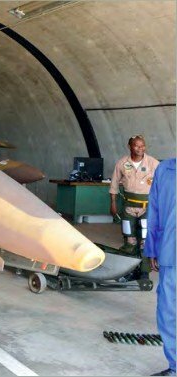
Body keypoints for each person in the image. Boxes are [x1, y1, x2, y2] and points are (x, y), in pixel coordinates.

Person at [109, 135, 160, 278]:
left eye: (143, 145)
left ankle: (144, 272)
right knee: (129, 240)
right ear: (130, 146)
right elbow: (114, 184)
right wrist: (112, 203)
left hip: (147, 207)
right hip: (128, 207)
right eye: (137, 146)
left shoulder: (152, 163)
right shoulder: (122, 163)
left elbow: (164, 180)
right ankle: (128, 271)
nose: (140, 148)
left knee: (144, 240)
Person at [144, 158, 175, 376]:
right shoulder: (165, 169)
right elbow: (153, 209)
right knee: (168, 310)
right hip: (171, 250)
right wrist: (152, 247)